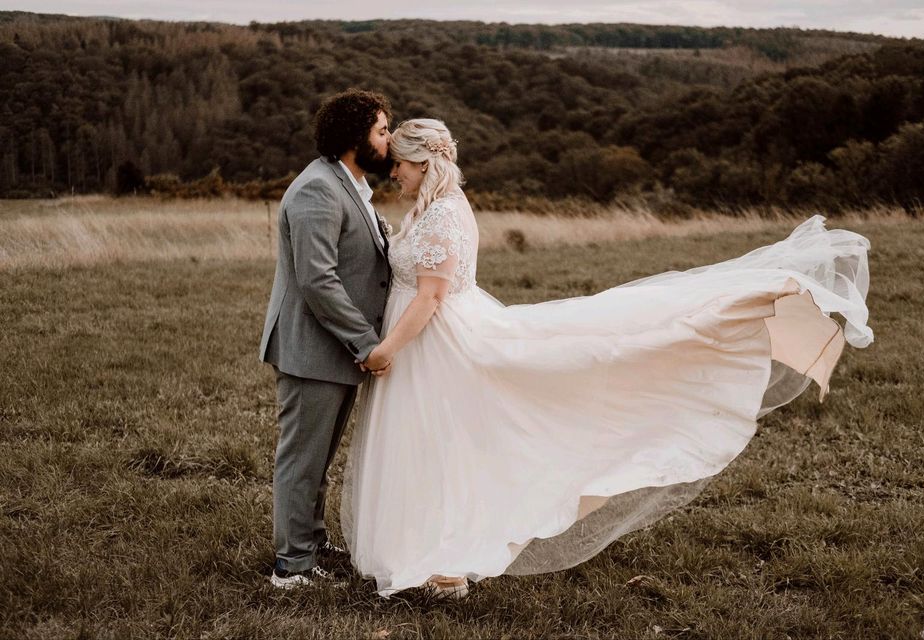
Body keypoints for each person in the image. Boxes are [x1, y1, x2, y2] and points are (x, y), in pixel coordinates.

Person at [340, 118, 873, 599]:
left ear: (425, 162)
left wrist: (386, 349)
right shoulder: (434, 209)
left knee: (448, 442)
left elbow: (432, 295)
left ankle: (447, 559)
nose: (396, 175)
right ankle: (425, 544)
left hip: (436, 342)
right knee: (434, 442)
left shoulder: (441, 217)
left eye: (403, 166)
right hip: (430, 340)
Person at [259, 89, 395, 589]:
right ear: (355, 136)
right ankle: (291, 568)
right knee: (301, 460)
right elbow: (318, 279)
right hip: (314, 348)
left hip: (333, 351)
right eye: (382, 130)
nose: (389, 139)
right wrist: (367, 342)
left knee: (318, 459)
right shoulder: (317, 188)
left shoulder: (351, 184)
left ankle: (311, 544)